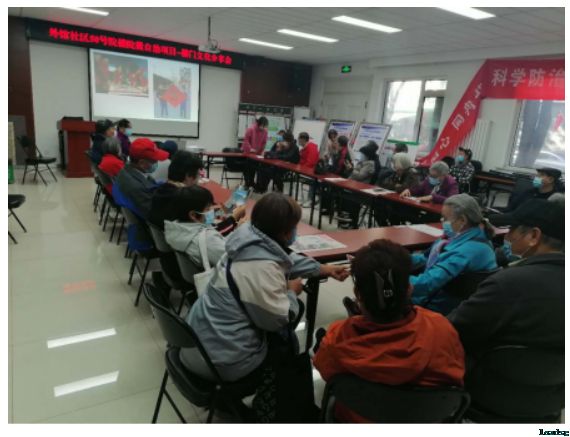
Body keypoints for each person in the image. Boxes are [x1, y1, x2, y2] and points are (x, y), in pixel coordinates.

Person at [180, 193, 349, 385]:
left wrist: (323, 269)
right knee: (288, 348)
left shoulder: (245, 242)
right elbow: (276, 321)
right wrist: (292, 293)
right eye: (294, 227)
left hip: (195, 344)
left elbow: (285, 259)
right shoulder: (262, 268)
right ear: (286, 233)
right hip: (224, 363)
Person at [313, 239, 465, 423]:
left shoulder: (337, 338)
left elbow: (325, 370)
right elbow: (455, 377)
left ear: (358, 295)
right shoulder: (442, 329)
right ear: (409, 289)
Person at [448, 199, 564, 363]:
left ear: (533, 236)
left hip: (486, 371)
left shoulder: (508, 282)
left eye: (512, 229)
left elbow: (454, 327)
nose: (507, 236)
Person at [409, 194, 498, 315]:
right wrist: (398, 259)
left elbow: (428, 283)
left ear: (462, 220)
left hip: (437, 310)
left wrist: (396, 280)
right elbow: (426, 259)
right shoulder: (454, 239)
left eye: (446, 218)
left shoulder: (467, 251)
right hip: (432, 299)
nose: (442, 221)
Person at [148, 150, 244, 235]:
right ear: (188, 176)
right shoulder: (182, 199)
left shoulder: (161, 191)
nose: (198, 181)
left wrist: (214, 211)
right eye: (198, 175)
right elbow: (210, 235)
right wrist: (233, 219)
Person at [164, 185, 243, 268]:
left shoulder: (174, 228)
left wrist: (235, 230)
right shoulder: (208, 239)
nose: (212, 211)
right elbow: (237, 261)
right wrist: (241, 231)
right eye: (208, 208)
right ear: (193, 215)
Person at [114, 138, 168, 219]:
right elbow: (154, 215)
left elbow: (150, 184)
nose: (156, 163)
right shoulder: (136, 187)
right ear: (141, 163)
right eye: (154, 161)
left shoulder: (126, 171)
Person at [337, 142, 380, 229]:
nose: (361, 155)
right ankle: (345, 219)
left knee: (351, 200)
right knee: (341, 195)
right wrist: (352, 169)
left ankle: (352, 222)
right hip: (353, 185)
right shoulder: (362, 162)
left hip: (361, 190)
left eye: (362, 154)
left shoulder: (370, 164)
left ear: (367, 155)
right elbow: (355, 173)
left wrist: (352, 169)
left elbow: (359, 176)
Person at [242, 116, 269, 188]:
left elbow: (264, 142)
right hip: (248, 152)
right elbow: (246, 140)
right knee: (248, 167)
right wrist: (250, 149)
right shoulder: (251, 129)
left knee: (256, 167)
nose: (263, 127)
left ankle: (253, 183)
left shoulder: (265, 131)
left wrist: (261, 151)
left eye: (265, 126)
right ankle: (248, 182)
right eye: (262, 125)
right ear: (259, 123)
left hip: (257, 154)